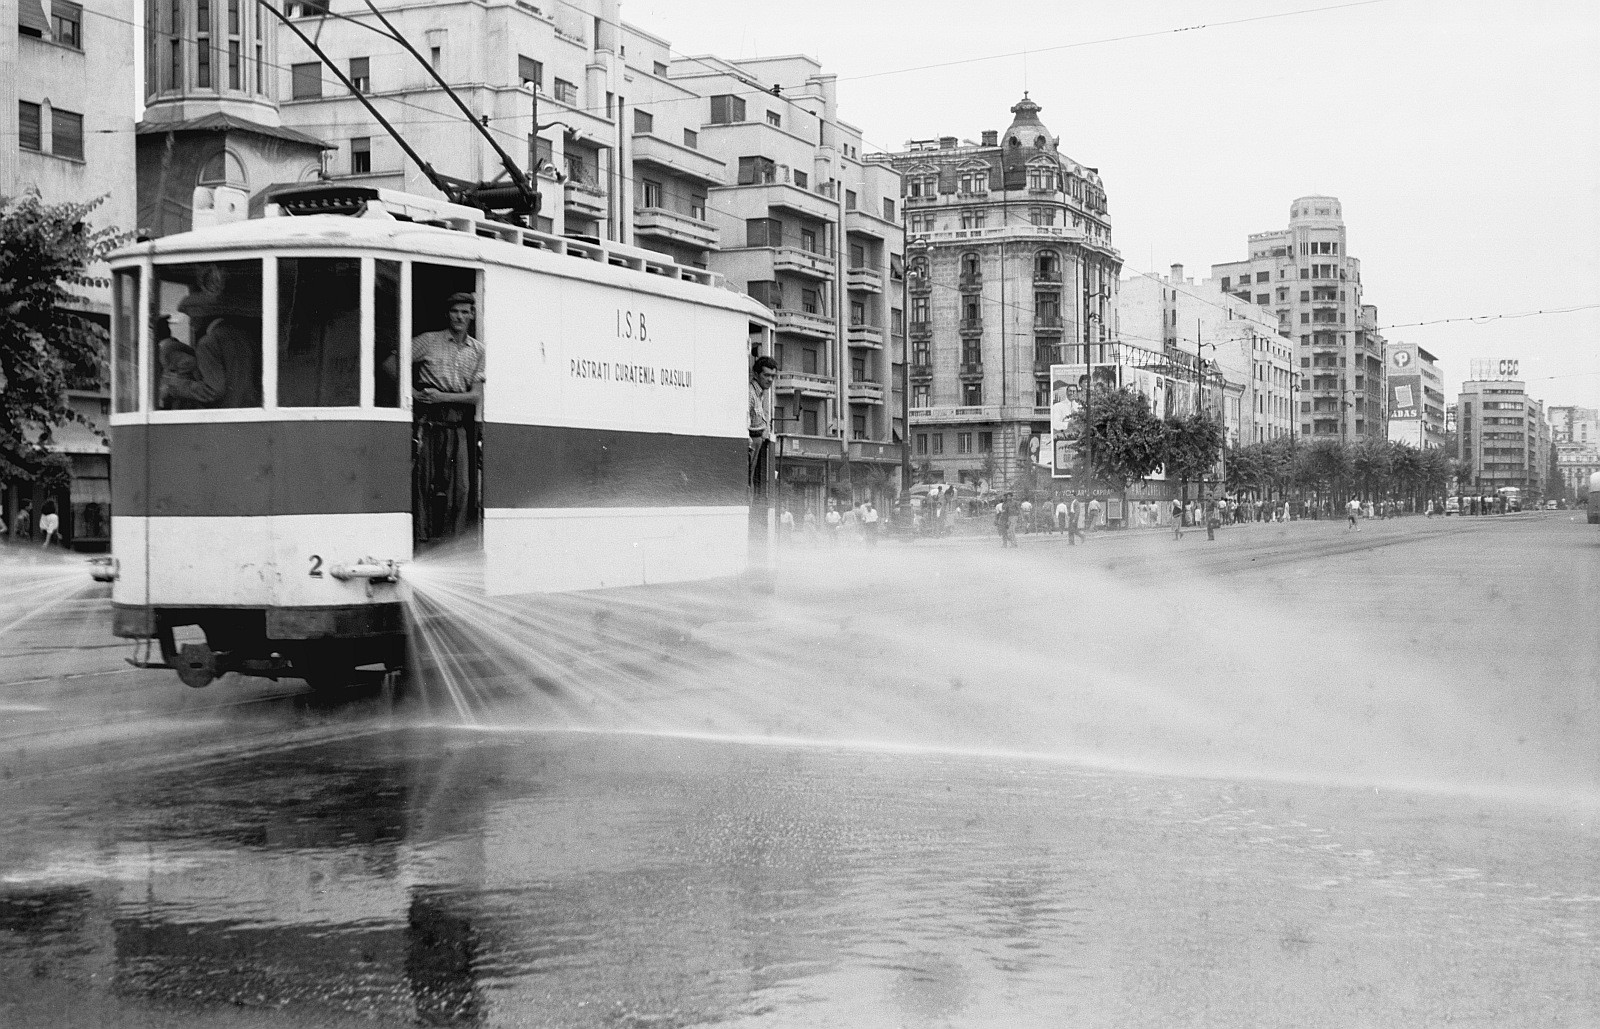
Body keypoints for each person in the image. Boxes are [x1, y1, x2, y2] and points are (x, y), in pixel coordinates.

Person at [413, 292, 486, 542]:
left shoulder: (478, 351)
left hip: (457, 424)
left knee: (462, 488)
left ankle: (453, 542)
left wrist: (441, 397)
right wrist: (412, 393)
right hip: (429, 421)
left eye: (465, 312)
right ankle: (422, 539)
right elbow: (392, 361)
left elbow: (475, 396)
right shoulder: (429, 341)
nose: (460, 316)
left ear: (472, 315)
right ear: (448, 313)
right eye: (455, 311)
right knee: (424, 483)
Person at [163, 284, 262, 409]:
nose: (191, 323)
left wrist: (178, 386)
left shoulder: (208, 343)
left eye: (193, 316)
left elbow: (212, 390)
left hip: (226, 415)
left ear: (204, 315)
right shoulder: (245, 335)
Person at [748, 356, 777, 489]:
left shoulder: (759, 394)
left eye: (773, 376)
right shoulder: (750, 394)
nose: (770, 379)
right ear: (756, 374)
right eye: (766, 375)